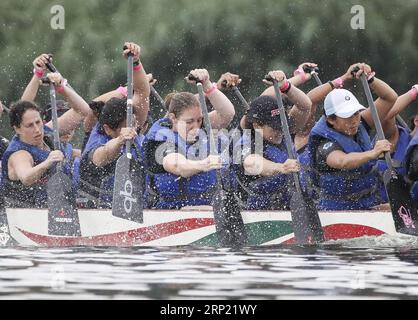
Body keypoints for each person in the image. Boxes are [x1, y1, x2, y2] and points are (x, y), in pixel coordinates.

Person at [306, 63, 397, 210]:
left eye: (355, 113)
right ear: (331, 119)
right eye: (347, 116)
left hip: (367, 204)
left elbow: (390, 98)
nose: (354, 120)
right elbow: (343, 161)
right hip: (337, 211)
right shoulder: (324, 143)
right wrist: (373, 153)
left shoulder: (360, 123)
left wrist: (370, 79)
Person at [143, 68, 235, 209]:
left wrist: (208, 86)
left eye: (199, 120)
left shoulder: (198, 123)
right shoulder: (160, 138)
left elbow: (227, 114)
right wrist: (205, 164)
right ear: (173, 118)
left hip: (210, 208)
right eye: (189, 122)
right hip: (172, 213)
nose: (196, 127)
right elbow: (177, 165)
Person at [78, 42, 150, 208]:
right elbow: (104, 154)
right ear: (108, 130)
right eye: (127, 126)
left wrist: (136, 63)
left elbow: (142, 92)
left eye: (134, 123)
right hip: (97, 214)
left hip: (131, 209)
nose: (134, 128)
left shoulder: (132, 123)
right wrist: (119, 141)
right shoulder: (96, 144)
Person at [232, 70, 311, 210]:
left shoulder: (284, 130)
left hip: (289, 208)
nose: (280, 131)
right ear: (257, 124)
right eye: (275, 128)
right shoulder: (245, 142)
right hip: (254, 215)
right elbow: (252, 163)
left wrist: (285, 86)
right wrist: (281, 167)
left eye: (282, 126)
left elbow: (305, 106)